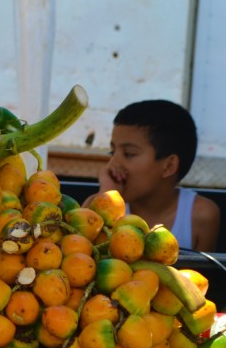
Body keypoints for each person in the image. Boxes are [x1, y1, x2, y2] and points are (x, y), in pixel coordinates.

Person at [94, 99, 220, 252]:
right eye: (112, 152)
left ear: (169, 166)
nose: (114, 162)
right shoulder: (94, 205)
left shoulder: (201, 215)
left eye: (129, 154)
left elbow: (205, 274)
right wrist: (109, 199)